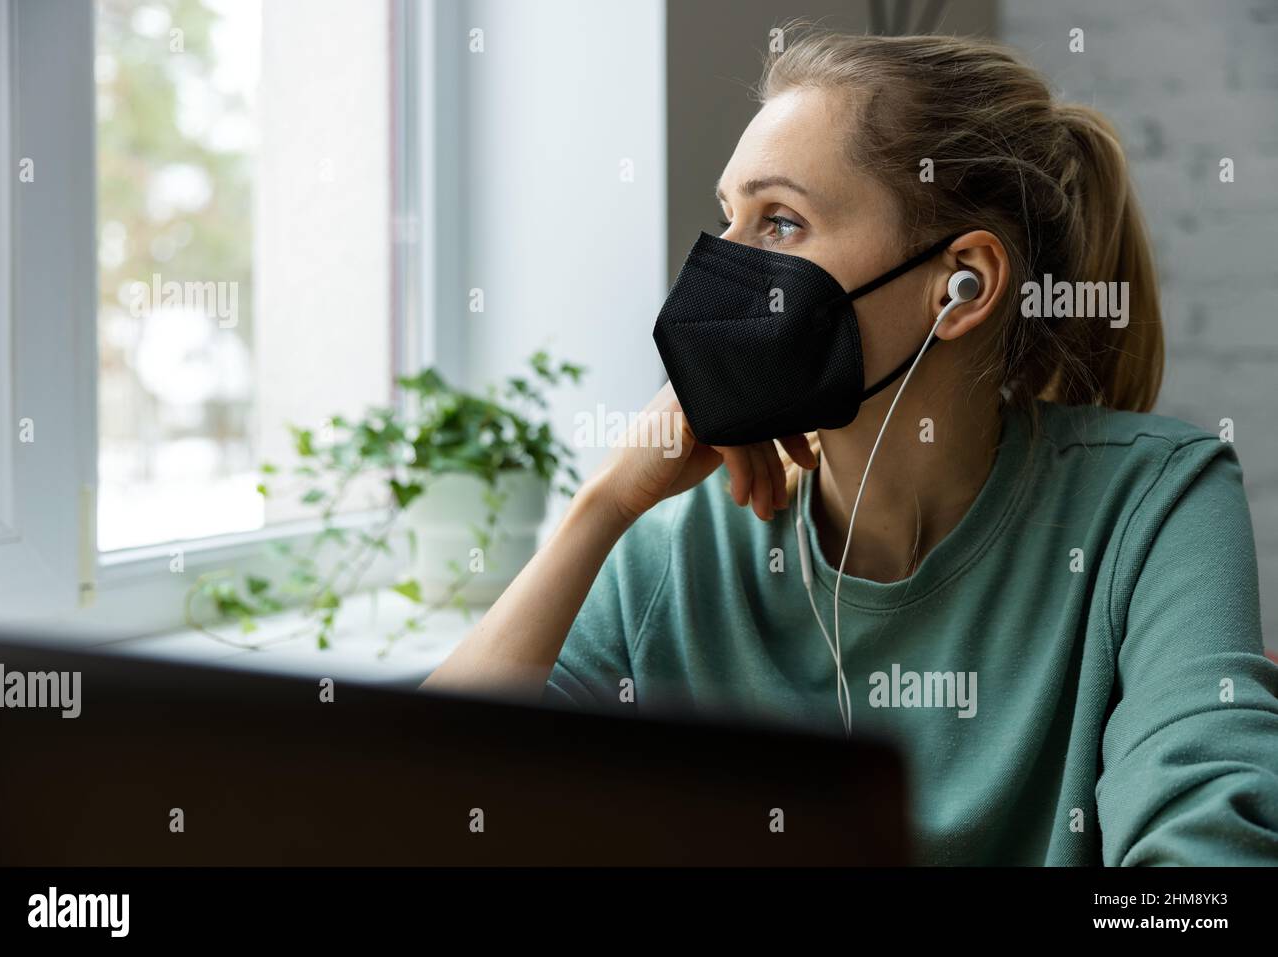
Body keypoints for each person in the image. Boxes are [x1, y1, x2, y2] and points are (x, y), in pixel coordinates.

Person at [422, 30, 1278, 866]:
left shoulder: (1151, 505)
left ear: (961, 283)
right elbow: (417, 809)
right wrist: (599, 507)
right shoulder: (677, 540)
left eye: (781, 222)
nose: (720, 268)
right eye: (730, 218)